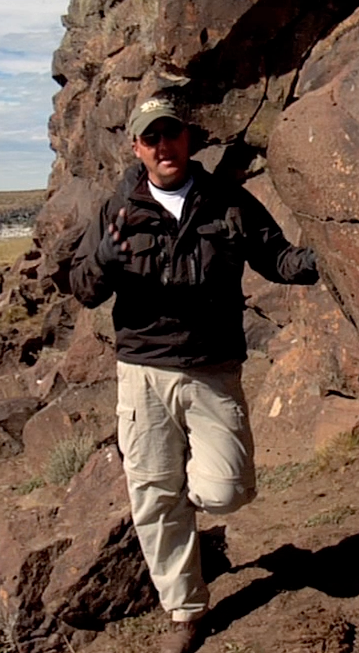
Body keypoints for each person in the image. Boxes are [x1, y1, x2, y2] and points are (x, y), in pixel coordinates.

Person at [68, 97, 319, 653]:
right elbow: (83, 289)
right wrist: (106, 257)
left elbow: (275, 258)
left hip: (212, 369)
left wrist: (322, 258)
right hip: (144, 372)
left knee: (225, 491)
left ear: (188, 138)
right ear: (137, 147)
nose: (164, 147)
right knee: (155, 496)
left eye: (172, 134)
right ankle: (185, 611)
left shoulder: (227, 201)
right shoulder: (118, 209)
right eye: (151, 138)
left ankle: (197, 519)